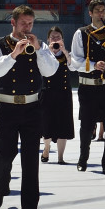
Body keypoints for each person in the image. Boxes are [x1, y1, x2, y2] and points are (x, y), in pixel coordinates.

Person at [0, 5, 58, 209]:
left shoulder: (40, 45)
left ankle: (30, 205)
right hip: (7, 107)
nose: (27, 27)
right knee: (4, 154)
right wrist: (14, 54)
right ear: (13, 23)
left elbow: (50, 71)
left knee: (30, 157)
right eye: (23, 23)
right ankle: (1, 187)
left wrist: (39, 50)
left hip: (32, 107)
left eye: (30, 23)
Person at [70, 0, 105, 175]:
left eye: (103, 10)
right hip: (88, 87)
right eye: (97, 11)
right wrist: (93, 65)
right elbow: (75, 61)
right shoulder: (81, 33)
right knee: (86, 126)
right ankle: (83, 158)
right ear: (90, 13)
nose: (101, 14)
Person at [41, 26, 75, 164]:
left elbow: (73, 67)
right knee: (47, 123)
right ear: (48, 39)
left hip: (63, 93)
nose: (55, 40)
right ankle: (46, 148)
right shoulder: (44, 54)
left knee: (63, 124)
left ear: (62, 39)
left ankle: (61, 157)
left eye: (58, 37)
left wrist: (64, 51)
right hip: (47, 93)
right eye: (53, 37)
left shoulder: (67, 54)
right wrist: (49, 52)